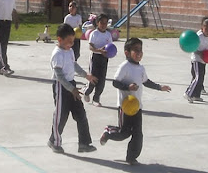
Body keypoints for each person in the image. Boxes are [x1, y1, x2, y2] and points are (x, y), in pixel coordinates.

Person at [99, 38, 171, 165]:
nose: (139, 53)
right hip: (125, 106)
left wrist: (160, 87)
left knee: (138, 134)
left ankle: (131, 157)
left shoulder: (141, 68)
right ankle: (108, 132)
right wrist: (128, 87)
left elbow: (146, 82)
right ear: (127, 53)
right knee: (124, 133)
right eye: (136, 50)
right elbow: (115, 82)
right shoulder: (124, 67)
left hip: (137, 107)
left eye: (141, 50)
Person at [48, 23, 98, 154]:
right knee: (61, 116)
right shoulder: (57, 55)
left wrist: (85, 75)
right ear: (59, 39)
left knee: (80, 114)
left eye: (73, 41)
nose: (71, 44)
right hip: (61, 87)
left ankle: (84, 143)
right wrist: (71, 89)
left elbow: (74, 65)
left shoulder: (69, 51)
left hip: (72, 85)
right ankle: (54, 142)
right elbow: (60, 77)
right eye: (69, 41)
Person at [82, 14, 113, 107]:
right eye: (101, 23)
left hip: (104, 59)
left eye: (105, 23)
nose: (103, 25)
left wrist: (108, 53)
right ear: (97, 23)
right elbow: (91, 46)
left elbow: (111, 47)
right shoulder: (94, 33)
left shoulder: (108, 34)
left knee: (102, 80)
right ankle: (87, 92)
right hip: (95, 58)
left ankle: (96, 98)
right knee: (93, 79)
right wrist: (99, 50)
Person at [184, 17, 208, 103]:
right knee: (197, 77)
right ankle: (188, 93)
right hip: (196, 60)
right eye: (206, 29)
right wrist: (200, 53)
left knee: (201, 78)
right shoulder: (198, 36)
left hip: (204, 60)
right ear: (202, 28)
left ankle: (196, 95)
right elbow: (192, 48)